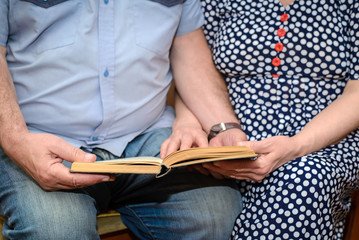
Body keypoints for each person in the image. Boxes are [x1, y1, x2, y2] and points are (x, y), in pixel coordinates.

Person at [0, 1, 247, 239]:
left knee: (217, 218)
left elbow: (188, 48)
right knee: (56, 231)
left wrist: (223, 127)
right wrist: (16, 138)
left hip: (148, 135)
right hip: (38, 139)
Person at [162, 0, 359, 238]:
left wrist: (296, 146)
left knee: (303, 181)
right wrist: (190, 124)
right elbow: (193, 69)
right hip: (229, 141)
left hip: (323, 142)